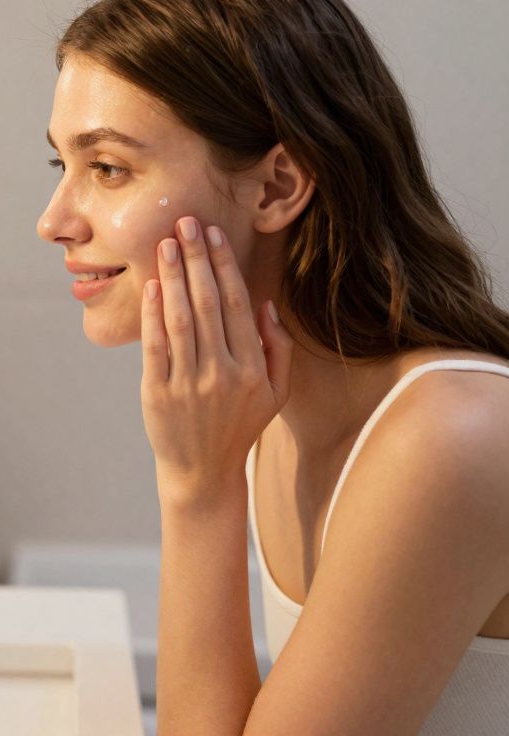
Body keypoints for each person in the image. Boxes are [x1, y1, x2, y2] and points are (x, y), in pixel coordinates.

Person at [36, 0, 509, 733]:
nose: (55, 219)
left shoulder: (453, 438)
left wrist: (196, 492)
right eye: (61, 164)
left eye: (107, 167)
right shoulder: (265, 415)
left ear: (280, 186)